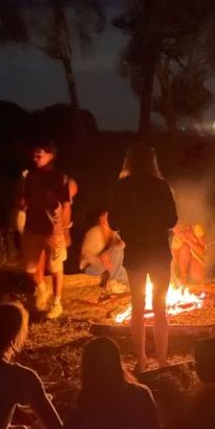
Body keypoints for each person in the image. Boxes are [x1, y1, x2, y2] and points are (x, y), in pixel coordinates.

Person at [108, 144, 177, 371]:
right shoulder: (160, 185)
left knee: (137, 305)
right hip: (159, 251)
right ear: (152, 162)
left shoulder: (121, 187)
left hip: (136, 252)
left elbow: (113, 222)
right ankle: (163, 361)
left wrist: (130, 227)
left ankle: (141, 360)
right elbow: (172, 220)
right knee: (160, 306)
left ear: (128, 162)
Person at [18, 142, 73, 319]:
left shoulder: (59, 177)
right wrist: (21, 209)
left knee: (56, 266)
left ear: (50, 156)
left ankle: (57, 303)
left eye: (39, 155)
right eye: (34, 155)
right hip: (32, 227)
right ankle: (42, 288)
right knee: (29, 268)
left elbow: (66, 205)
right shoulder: (31, 176)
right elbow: (25, 199)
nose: (35, 158)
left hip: (53, 229)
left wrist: (64, 229)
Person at [79, 209, 127, 290]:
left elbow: (119, 243)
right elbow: (86, 254)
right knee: (116, 252)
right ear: (100, 220)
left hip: (105, 266)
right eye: (104, 218)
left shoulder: (108, 232)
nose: (106, 222)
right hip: (91, 268)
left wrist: (119, 242)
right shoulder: (93, 234)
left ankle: (117, 281)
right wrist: (100, 259)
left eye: (106, 219)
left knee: (120, 267)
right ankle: (114, 283)